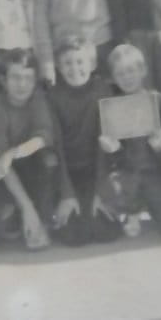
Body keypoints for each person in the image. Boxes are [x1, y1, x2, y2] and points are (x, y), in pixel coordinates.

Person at [98, 44, 161, 241]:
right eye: (120, 73)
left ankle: (154, 207)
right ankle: (132, 210)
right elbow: (114, 159)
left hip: (156, 176)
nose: (127, 77)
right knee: (110, 187)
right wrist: (113, 149)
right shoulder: (112, 108)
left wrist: (160, 147)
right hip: (129, 176)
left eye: (131, 70)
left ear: (143, 70)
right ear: (114, 78)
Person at [0, 49, 69, 250]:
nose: (22, 84)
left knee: (49, 160)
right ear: (3, 80)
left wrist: (13, 153)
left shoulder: (38, 100)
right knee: (3, 224)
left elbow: (43, 137)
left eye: (28, 78)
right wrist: (27, 207)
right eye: (15, 77)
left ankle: (42, 220)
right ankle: (27, 216)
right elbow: (1, 166)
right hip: (6, 179)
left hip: (33, 171)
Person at [46, 36, 122, 247]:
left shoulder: (102, 90)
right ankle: (63, 208)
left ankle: (93, 206)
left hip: (94, 170)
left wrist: (100, 191)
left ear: (92, 63)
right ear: (59, 67)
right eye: (67, 63)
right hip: (67, 173)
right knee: (74, 237)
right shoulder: (53, 97)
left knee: (105, 232)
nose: (74, 68)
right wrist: (66, 194)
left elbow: (104, 146)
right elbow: (56, 148)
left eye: (80, 62)